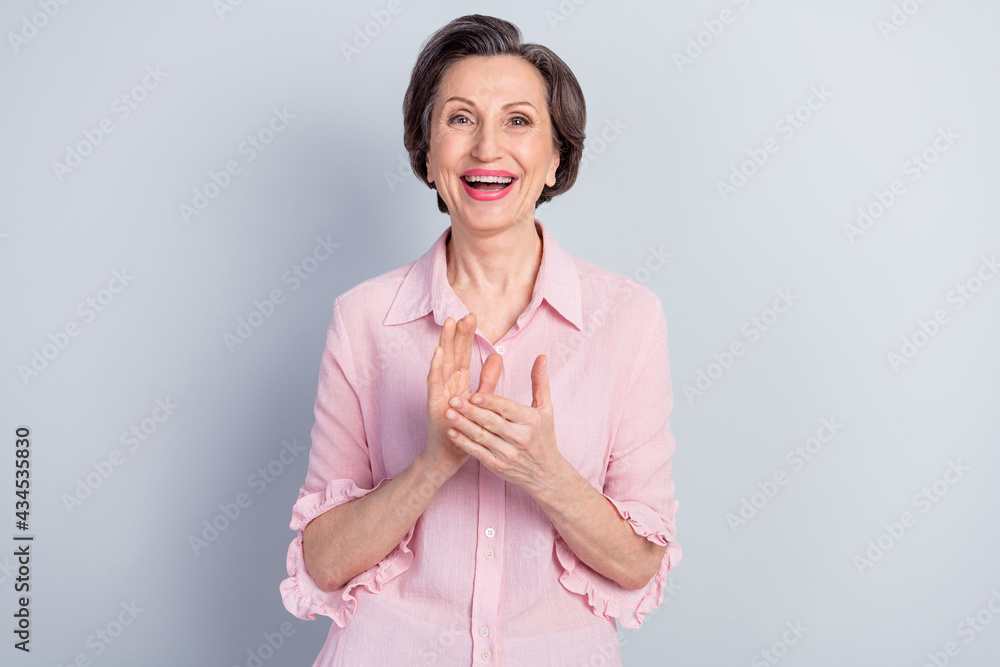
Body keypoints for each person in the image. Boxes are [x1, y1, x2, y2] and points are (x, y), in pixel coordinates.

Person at [279, 14, 681, 666]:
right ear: (428, 150)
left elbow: (638, 565)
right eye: (461, 119)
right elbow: (323, 563)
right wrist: (433, 464)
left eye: (519, 121)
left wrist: (546, 473)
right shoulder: (363, 318)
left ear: (556, 157)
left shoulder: (628, 318)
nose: (487, 147)